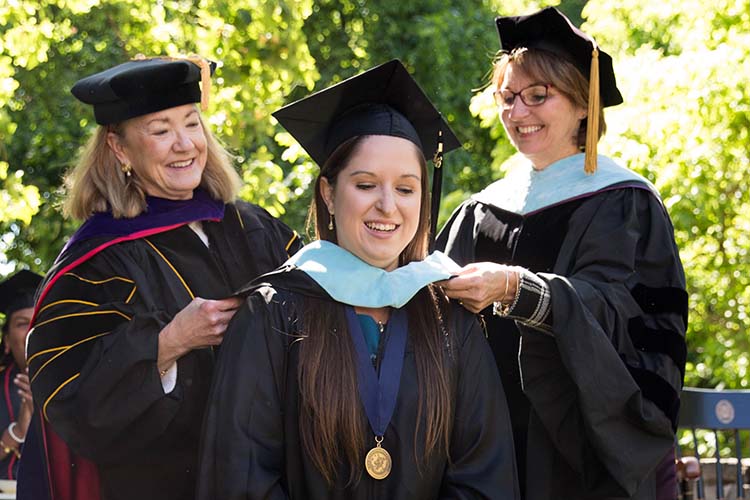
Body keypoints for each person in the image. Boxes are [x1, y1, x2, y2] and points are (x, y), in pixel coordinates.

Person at [198, 59, 519, 500]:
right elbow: (241, 475)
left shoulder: (451, 319)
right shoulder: (273, 313)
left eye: (406, 189)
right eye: (366, 185)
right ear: (329, 193)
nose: (388, 206)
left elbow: (486, 474)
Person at [21, 56, 302, 500]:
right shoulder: (97, 262)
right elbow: (70, 400)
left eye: (192, 124)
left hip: (270, 482)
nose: (184, 144)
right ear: (119, 148)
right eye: (160, 130)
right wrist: (168, 342)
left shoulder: (253, 229)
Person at [437, 8, 687, 500]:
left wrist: (519, 289)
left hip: (580, 455)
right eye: (507, 97)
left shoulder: (623, 200)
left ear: (581, 103)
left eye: (537, 96)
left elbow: (629, 318)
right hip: (486, 447)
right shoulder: (481, 208)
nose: (518, 112)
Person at [0, 270, 41, 480]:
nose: (32, 330)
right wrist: (19, 430)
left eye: (37, 321)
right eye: (22, 324)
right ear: (6, 340)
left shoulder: (72, 380)